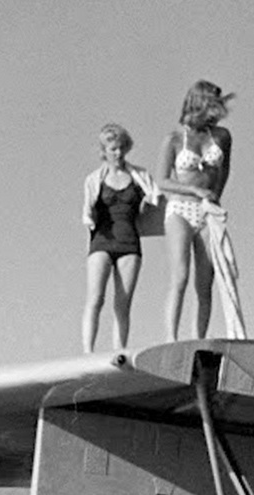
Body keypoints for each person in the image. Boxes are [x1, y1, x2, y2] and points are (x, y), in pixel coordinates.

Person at [156, 81, 236, 340]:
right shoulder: (175, 139)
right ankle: (171, 338)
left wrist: (214, 199)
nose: (217, 113)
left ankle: (198, 338)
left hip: (206, 211)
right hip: (180, 207)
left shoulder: (221, 136)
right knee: (180, 275)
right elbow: (162, 180)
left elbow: (223, 172)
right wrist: (195, 191)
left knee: (205, 282)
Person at [81, 124, 160, 353]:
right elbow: (87, 212)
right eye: (113, 149)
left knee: (123, 303)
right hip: (102, 241)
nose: (118, 153)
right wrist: (91, 215)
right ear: (104, 151)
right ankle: (87, 351)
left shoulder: (140, 177)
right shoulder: (94, 180)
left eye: (121, 148)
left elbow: (157, 200)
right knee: (96, 298)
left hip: (129, 243)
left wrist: (148, 203)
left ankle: (120, 351)